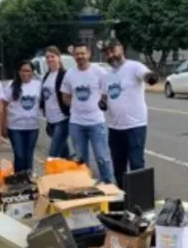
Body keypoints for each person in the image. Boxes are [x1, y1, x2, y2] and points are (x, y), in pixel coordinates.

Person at [103, 40, 159, 187]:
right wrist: (102, 103)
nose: (111, 55)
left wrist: (151, 78)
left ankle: (139, 198)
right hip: (115, 128)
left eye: (113, 50)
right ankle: (123, 196)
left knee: (136, 163)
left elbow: (146, 75)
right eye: (107, 53)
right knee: (118, 166)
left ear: (121, 49)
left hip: (135, 126)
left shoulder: (134, 66)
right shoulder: (107, 75)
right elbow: (105, 96)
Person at [60, 43, 113, 184]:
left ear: (89, 54)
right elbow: (65, 96)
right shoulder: (70, 74)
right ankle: (85, 186)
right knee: (80, 159)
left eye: (82, 53)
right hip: (76, 123)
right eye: (77, 54)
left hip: (96, 122)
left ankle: (109, 185)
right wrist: (77, 106)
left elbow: (107, 91)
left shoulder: (99, 72)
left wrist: (101, 102)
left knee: (102, 157)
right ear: (74, 56)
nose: (80, 57)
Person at [3, 60, 42, 173]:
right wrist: (3, 125)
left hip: (32, 127)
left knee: (29, 156)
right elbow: (3, 105)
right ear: (19, 72)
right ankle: (18, 179)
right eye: (23, 71)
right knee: (19, 155)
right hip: (15, 127)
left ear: (32, 72)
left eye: (28, 71)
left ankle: (28, 181)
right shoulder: (11, 86)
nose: (26, 73)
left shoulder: (38, 85)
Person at [39, 46, 71, 158]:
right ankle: (69, 172)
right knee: (64, 154)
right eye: (47, 57)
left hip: (62, 119)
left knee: (53, 155)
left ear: (58, 58)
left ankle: (51, 174)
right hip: (50, 121)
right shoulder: (46, 76)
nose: (49, 59)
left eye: (52, 56)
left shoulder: (64, 75)